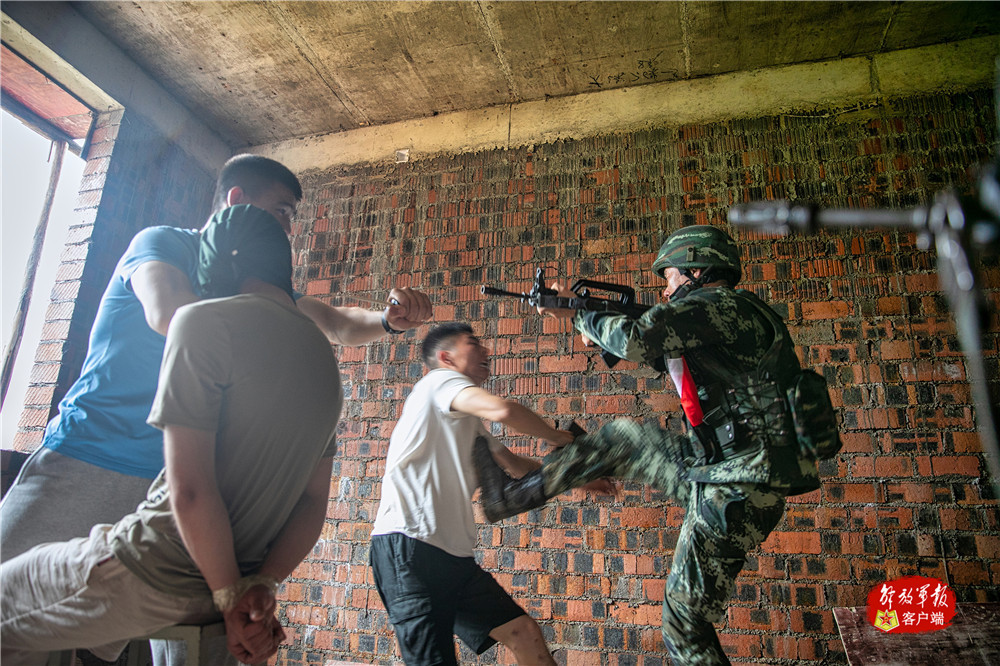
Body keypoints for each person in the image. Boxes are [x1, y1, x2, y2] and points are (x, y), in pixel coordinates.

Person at [0, 153, 430, 560]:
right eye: (282, 211)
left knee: (114, 634)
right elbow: (170, 313)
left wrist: (388, 319)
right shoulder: (164, 244)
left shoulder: (256, 285)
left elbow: (338, 324)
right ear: (236, 200)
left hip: (174, 482)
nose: (288, 228)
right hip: (92, 455)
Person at [2, 204, 343, 664]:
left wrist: (227, 597)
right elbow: (312, 504)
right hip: (237, 581)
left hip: (155, 567)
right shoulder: (323, 360)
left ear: (223, 261)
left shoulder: (202, 321)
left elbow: (191, 493)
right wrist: (257, 587)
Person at [477, 225, 821, 665]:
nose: (665, 288)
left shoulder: (722, 306)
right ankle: (512, 493)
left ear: (697, 270)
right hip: (718, 470)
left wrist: (582, 315)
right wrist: (587, 322)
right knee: (624, 439)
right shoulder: (723, 318)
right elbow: (651, 350)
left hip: (736, 485)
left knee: (684, 625)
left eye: (670, 276)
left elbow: (639, 338)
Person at [370, 322, 610, 665]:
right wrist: (560, 439)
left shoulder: (465, 420)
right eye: (474, 344)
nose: (487, 352)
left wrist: (576, 477)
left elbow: (512, 464)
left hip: (451, 557)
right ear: (446, 358)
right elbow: (505, 410)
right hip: (409, 549)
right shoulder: (439, 382)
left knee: (522, 632)